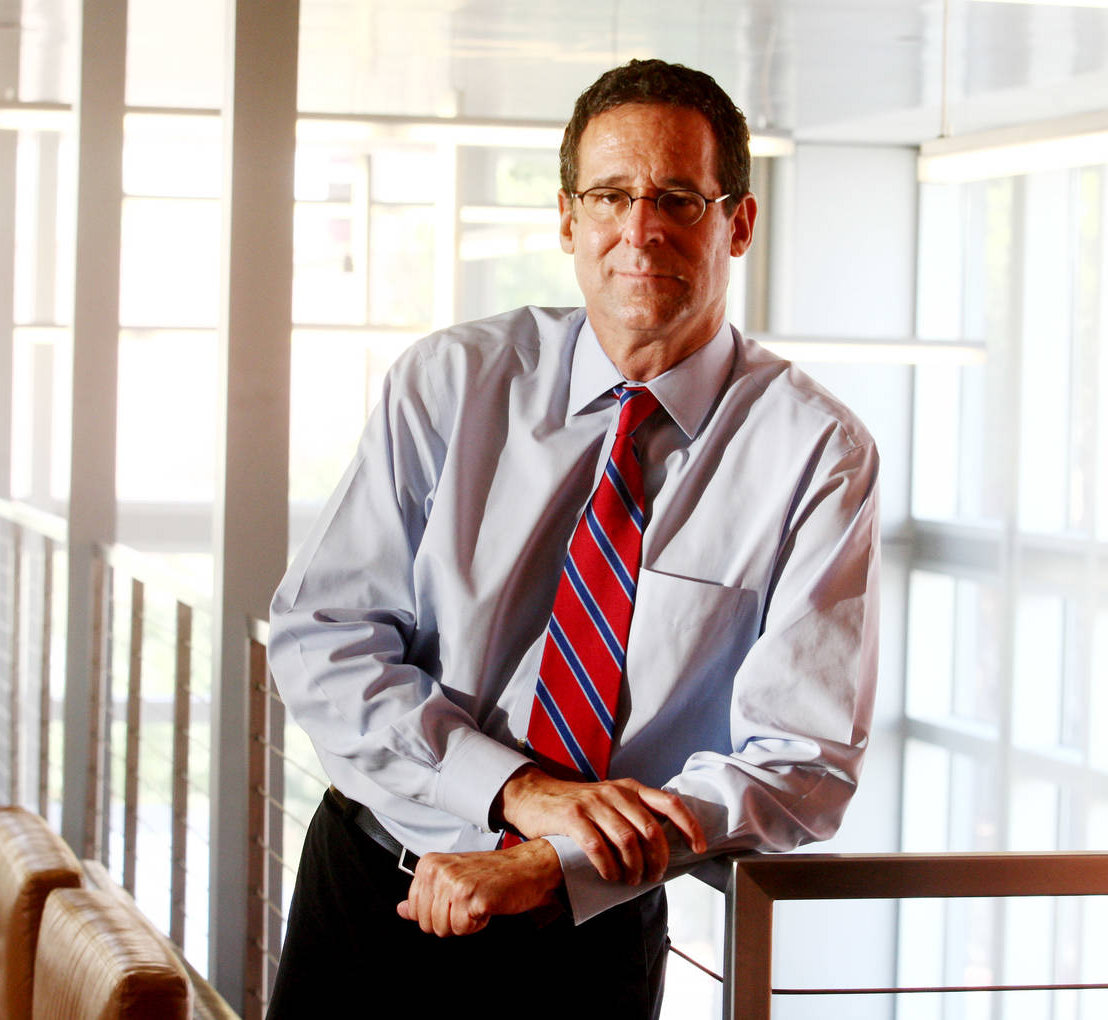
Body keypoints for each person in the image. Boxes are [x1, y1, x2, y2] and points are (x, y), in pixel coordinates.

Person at [266, 58, 879, 1019]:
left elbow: (802, 762)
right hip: (375, 890)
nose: (641, 229)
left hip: (588, 936)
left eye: (679, 196)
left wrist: (565, 859)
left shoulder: (814, 452)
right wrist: (516, 792)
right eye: (611, 195)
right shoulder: (451, 383)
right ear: (567, 219)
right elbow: (323, 638)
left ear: (739, 223)